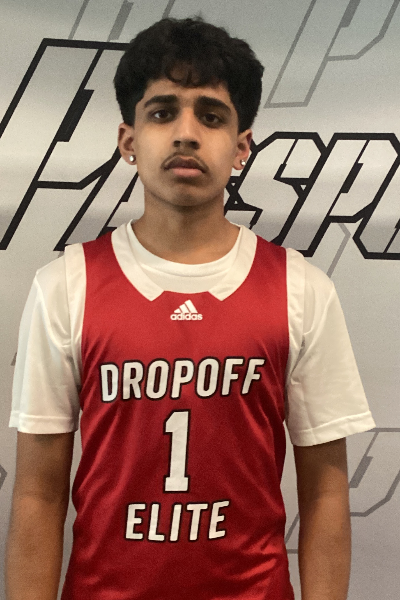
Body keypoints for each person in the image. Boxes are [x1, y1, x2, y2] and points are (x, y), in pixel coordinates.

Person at [6, 16, 375, 600]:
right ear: (128, 141)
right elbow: (37, 494)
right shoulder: (65, 286)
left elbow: (326, 492)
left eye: (211, 116)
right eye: (162, 113)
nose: (185, 133)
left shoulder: (300, 289)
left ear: (241, 147)